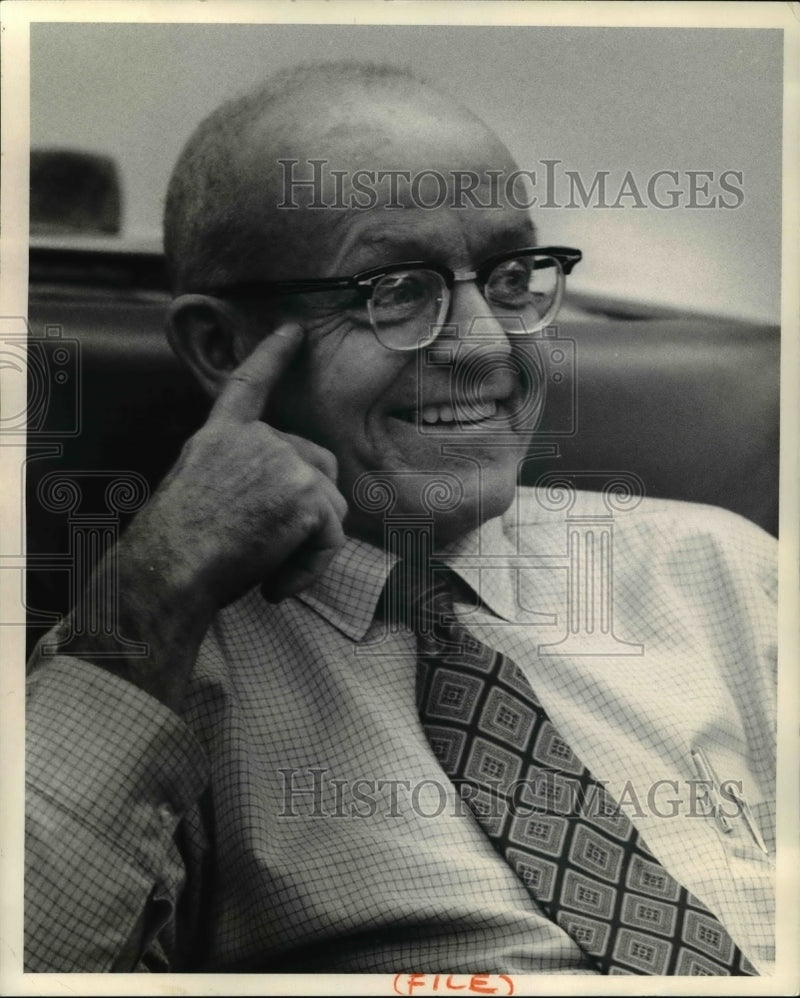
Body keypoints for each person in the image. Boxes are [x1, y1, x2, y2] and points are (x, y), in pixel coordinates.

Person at [25, 62, 776, 975]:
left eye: (510, 276)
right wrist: (148, 604)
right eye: (394, 289)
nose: (486, 345)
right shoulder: (152, 671)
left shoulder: (724, 571)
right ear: (224, 347)